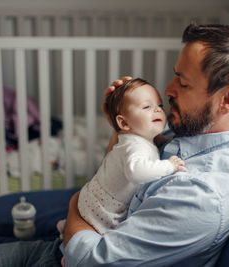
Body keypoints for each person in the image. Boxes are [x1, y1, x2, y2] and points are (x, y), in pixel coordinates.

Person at [0, 23, 229, 267]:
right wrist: (123, 130)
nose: (168, 89)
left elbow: (87, 260)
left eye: (183, 83)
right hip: (59, 246)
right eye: (175, 76)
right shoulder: (198, 130)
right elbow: (122, 166)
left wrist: (75, 207)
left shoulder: (200, 197)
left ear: (228, 99)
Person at [57, 78, 186, 266]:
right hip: (101, 212)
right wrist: (169, 166)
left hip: (91, 198)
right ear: (124, 123)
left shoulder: (137, 138)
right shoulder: (135, 147)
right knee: (97, 233)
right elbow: (137, 172)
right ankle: (65, 254)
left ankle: (64, 229)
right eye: (146, 107)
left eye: (159, 105)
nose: (158, 109)